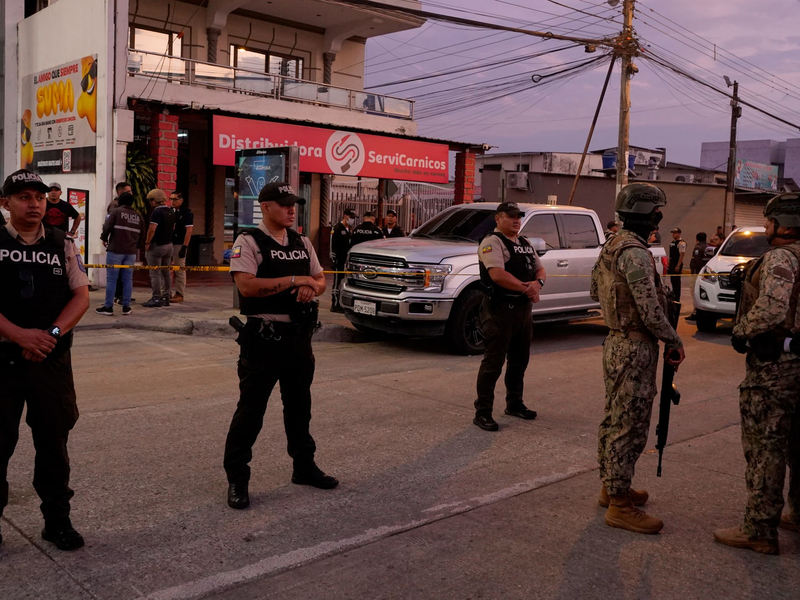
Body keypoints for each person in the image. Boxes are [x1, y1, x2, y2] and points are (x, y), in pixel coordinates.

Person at [223, 181, 337, 510]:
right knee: (251, 412)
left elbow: (319, 279)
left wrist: (310, 288)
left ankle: (304, 467)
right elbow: (246, 286)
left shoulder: (301, 241)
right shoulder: (249, 241)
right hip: (264, 338)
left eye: (293, 204)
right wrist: (293, 281)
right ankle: (237, 478)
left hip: (298, 338)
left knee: (300, 408)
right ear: (265, 206)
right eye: (284, 204)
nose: (291, 209)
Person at [0, 169, 90, 550]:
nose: (34, 202)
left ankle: (57, 521)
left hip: (50, 361)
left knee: (54, 446)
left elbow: (81, 296)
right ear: (6, 203)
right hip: (2, 360)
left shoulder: (62, 242)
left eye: (38, 196)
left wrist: (50, 335)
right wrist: (19, 334)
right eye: (23, 196)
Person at [590, 183, 685, 535]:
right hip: (634, 347)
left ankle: (612, 486)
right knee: (629, 424)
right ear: (647, 214)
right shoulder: (635, 253)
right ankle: (618, 505)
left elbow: (593, 290)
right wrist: (674, 341)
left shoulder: (612, 245)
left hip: (616, 342)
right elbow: (650, 311)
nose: (660, 217)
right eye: (657, 211)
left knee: (615, 417)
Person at [714, 193, 800, 555]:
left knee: (766, 447)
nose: (766, 227)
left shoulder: (781, 256)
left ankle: (759, 530)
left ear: (785, 223)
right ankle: (796, 513)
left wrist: (741, 330)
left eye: (769, 221)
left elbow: (771, 308)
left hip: (775, 367)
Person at [473, 202, 545, 432]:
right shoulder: (491, 242)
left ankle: (514, 404)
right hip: (499, 310)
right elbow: (497, 275)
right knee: (493, 363)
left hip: (523, 311)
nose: (516, 220)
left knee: (519, 361)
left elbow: (539, 270)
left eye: (518, 217)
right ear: (498, 219)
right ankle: (482, 412)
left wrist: (538, 283)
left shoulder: (524, 243)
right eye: (511, 216)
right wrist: (527, 289)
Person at [95, 192, 146, 316]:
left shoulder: (116, 212)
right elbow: (142, 234)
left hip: (115, 251)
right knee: (128, 279)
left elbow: (107, 227)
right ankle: (126, 307)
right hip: (131, 253)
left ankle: (108, 307)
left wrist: (103, 238)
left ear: (120, 201)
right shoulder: (138, 216)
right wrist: (137, 245)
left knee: (112, 279)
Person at [143, 189, 175, 308]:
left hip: (157, 246)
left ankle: (156, 298)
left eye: (151, 200)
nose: (151, 203)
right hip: (169, 245)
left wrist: (147, 242)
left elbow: (152, 229)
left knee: (154, 273)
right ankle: (166, 296)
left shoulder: (156, 213)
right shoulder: (171, 212)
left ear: (154, 200)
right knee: (166, 272)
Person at [330, 208, 356, 313]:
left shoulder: (349, 229)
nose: (352, 220)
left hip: (346, 261)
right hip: (338, 260)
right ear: (345, 216)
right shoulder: (337, 228)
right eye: (351, 217)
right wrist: (333, 258)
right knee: (337, 282)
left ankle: (341, 303)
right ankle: (335, 304)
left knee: (343, 283)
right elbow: (332, 245)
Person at [170, 192, 193, 303]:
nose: (172, 201)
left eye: (175, 199)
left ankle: (179, 293)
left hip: (179, 243)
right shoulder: (172, 212)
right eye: (171, 199)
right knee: (167, 268)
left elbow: (189, 231)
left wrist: (185, 246)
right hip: (170, 242)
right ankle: (167, 292)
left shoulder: (186, 213)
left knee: (179, 269)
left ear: (181, 200)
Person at [667, 227, 687, 300]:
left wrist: (678, 265)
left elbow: (682, 255)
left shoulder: (681, 243)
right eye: (673, 233)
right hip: (672, 264)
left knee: (676, 282)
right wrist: (669, 264)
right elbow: (671, 254)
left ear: (679, 234)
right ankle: (674, 295)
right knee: (672, 281)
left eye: (675, 233)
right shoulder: (672, 242)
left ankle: (677, 297)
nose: (673, 234)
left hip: (677, 264)